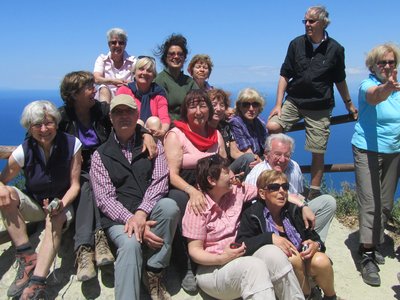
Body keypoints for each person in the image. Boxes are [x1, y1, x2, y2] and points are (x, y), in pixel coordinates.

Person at [59, 71, 158, 282]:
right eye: (88, 87)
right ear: (74, 94)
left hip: (104, 163)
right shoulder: (63, 117)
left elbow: (129, 120)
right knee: (87, 186)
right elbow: (38, 136)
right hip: (78, 169)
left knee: (96, 185)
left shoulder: (101, 110)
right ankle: (86, 246)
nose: (93, 90)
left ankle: (99, 237)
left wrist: (146, 134)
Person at [90, 94, 179, 300]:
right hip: (119, 220)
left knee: (169, 207)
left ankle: (154, 270)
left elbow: (160, 180)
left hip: (145, 211)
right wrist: (132, 220)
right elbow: (105, 198)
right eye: (117, 112)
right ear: (110, 118)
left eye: (128, 111)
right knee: (130, 245)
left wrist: (141, 213)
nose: (123, 116)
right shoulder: (100, 155)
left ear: (137, 115)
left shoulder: (153, 145)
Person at [266, 5, 358, 201]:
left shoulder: (336, 49)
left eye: (312, 21)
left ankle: (314, 192)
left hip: (320, 105)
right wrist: (278, 104)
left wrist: (349, 104)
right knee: (272, 126)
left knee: (317, 150)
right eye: (305, 21)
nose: (307, 24)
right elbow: (284, 74)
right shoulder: (296, 44)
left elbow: (339, 79)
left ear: (324, 22)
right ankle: (277, 178)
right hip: (294, 101)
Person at [182, 154, 304, 300]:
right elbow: (195, 251)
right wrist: (221, 258)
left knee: (273, 253)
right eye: (227, 172)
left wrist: (303, 205)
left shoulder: (237, 192)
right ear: (211, 180)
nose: (232, 174)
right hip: (212, 270)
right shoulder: (198, 206)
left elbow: (270, 191)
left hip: (241, 258)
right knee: (254, 267)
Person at [0, 100, 82, 299]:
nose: (44, 129)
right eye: (37, 124)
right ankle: (27, 255)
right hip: (36, 204)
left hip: (63, 204)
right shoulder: (24, 151)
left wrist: (61, 203)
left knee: (55, 218)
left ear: (57, 123)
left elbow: (75, 185)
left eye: (49, 123)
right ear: (29, 127)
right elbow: (2, 180)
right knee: (6, 193)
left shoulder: (72, 144)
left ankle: (37, 282)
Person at [237, 170, 337, 300]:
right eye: (274, 187)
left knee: (321, 260)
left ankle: (331, 297)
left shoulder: (293, 210)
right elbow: (242, 243)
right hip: (275, 272)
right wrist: (269, 238)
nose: (281, 191)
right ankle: (308, 296)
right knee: (292, 258)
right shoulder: (252, 214)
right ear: (262, 193)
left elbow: (315, 238)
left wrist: (315, 245)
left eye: (285, 187)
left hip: (303, 264)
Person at [163, 89, 226, 292]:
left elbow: (225, 166)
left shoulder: (216, 134)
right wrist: (193, 191)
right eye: (192, 106)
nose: (198, 111)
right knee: (179, 201)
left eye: (202, 105)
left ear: (209, 109)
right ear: (185, 111)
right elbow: (172, 175)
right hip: (185, 186)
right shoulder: (176, 134)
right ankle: (185, 264)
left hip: (213, 186)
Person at [351, 43, 400, 287]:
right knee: (370, 203)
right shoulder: (367, 86)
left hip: (394, 152)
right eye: (382, 62)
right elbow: (374, 96)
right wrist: (387, 88)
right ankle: (366, 253)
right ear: (373, 66)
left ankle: (376, 239)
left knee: (386, 202)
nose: (388, 66)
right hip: (367, 150)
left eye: (391, 62)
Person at [245, 133, 336, 242]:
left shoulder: (294, 167)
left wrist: (303, 206)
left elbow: (298, 194)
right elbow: (255, 205)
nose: (282, 160)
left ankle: (315, 243)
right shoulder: (259, 172)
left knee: (328, 202)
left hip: (293, 213)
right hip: (270, 219)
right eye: (277, 154)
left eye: (287, 155)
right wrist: (301, 205)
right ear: (266, 154)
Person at [116, 56, 170, 138]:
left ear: (153, 76)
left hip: (153, 133)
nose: (144, 73)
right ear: (134, 72)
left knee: (154, 121)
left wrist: (163, 131)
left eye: (149, 71)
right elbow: (119, 116)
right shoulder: (124, 91)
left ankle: (153, 148)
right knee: (138, 122)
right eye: (141, 69)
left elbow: (164, 117)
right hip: (129, 135)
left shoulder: (159, 93)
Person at [208, 88, 256, 177]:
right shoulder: (202, 127)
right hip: (211, 169)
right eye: (214, 105)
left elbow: (234, 152)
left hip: (227, 166)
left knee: (250, 158)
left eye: (222, 105)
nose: (218, 109)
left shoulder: (226, 127)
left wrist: (255, 159)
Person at [154, 34, 198, 120]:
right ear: (165, 58)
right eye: (171, 54)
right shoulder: (160, 80)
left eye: (180, 54)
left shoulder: (189, 82)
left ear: (184, 57)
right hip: (169, 127)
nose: (176, 56)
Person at [93, 28, 135, 103]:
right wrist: (112, 81)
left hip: (127, 98)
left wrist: (129, 83)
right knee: (104, 88)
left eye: (121, 43)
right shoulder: (102, 59)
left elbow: (139, 79)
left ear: (125, 45)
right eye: (114, 42)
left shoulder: (133, 61)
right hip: (106, 97)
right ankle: (105, 113)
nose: (117, 45)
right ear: (109, 44)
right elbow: (96, 79)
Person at [229, 87, 267, 163]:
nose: (251, 109)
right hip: (246, 162)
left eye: (255, 104)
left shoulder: (260, 122)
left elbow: (266, 146)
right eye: (246, 105)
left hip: (259, 159)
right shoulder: (236, 122)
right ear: (239, 107)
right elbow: (247, 152)